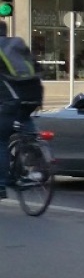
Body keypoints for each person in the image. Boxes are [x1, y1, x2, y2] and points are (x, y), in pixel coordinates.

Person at [0, 21, 43, 198]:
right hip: (33, 97)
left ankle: (2, 185)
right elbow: (39, 68)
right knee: (27, 129)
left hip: (11, 101)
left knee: (1, 141)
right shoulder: (17, 45)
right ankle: (38, 167)